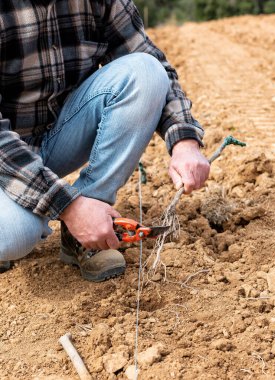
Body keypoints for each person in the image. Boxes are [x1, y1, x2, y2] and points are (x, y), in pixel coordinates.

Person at [0, 0, 210, 282]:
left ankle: (87, 228)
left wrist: (185, 140)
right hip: (6, 156)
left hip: (55, 136)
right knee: (15, 235)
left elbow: (148, 58)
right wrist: (68, 206)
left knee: (145, 72)